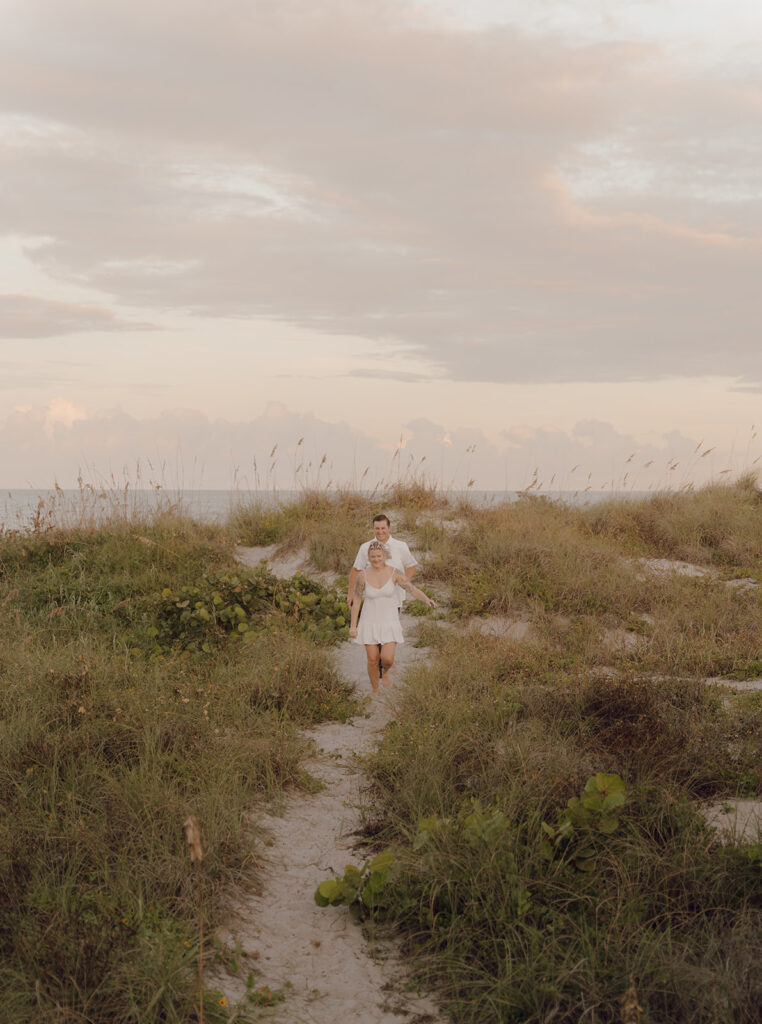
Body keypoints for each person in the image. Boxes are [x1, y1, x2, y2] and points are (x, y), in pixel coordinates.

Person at [349, 540, 435, 695]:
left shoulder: (395, 573)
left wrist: (426, 599)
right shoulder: (362, 576)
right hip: (369, 622)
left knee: (387, 658)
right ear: (369, 557)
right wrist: (353, 626)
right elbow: (356, 602)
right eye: (373, 556)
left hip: (389, 621)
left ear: (384, 556)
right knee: (373, 659)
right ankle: (375, 689)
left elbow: (412, 589)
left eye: (379, 556)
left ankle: (386, 671)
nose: (376, 559)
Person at [347, 513, 418, 613]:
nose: (380, 532)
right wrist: (350, 594)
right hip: (372, 599)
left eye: (383, 528)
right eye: (377, 528)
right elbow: (355, 570)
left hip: (394, 598)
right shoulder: (365, 547)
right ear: (373, 529)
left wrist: (403, 581)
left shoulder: (401, 546)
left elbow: (411, 565)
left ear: (389, 528)